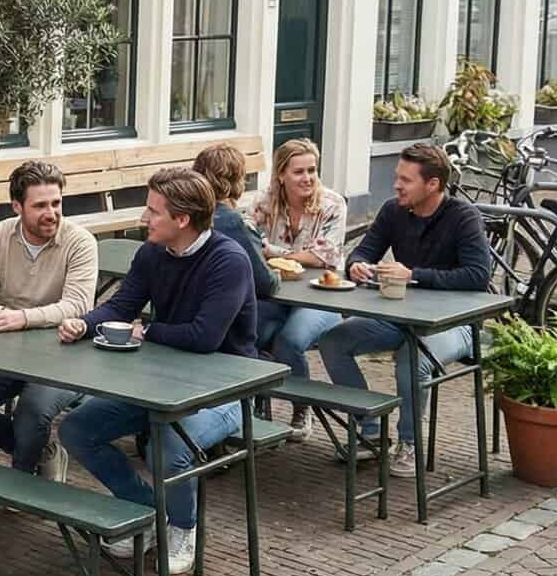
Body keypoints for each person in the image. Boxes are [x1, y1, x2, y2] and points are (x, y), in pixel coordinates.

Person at [55, 168, 257, 575]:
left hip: (226, 390)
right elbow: (121, 306)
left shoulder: (228, 260)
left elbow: (204, 337)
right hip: (159, 384)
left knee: (167, 445)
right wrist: (85, 323)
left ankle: (183, 527)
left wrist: (145, 331)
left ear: (182, 219)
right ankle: (148, 513)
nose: (144, 220)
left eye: (153, 211)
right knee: (76, 429)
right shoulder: (151, 253)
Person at [316, 143, 493, 476]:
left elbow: (478, 276)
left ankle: (408, 442)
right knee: (332, 342)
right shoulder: (392, 210)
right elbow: (362, 251)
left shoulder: (463, 217)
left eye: (405, 180)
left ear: (433, 184)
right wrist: (357, 267)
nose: (396, 185)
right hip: (400, 317)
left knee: (411, 361)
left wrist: (414, 275)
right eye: (397, 177)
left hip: (454, 325)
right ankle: (369, 429)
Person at [0, 160, 97, 476]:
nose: (51, 212)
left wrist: (23, 318)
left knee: (32, 412)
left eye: (56, 203)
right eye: (40, 205)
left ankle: (24, 477)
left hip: (65, 352)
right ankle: (43, 452)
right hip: (10, 351)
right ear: (17, 206)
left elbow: (78, 305)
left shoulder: (80, 242)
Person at [239, 138, 348, 427]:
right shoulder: (264, 202)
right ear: (281, 175)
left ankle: (301, 409)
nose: (308, 178)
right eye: (299, 172)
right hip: (275, 295)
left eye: (312, 170)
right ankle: (251, 410)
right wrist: (286, 255)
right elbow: (248, 240)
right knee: (245, 332)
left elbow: (324, 257)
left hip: (322, 296)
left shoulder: (333, 204)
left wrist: (273, 252)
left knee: (290, 340)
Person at [192, 144, 277, 299]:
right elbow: (264, 283)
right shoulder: (236, 223)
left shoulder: (184, 215)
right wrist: (277, 276)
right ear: (237, 180)